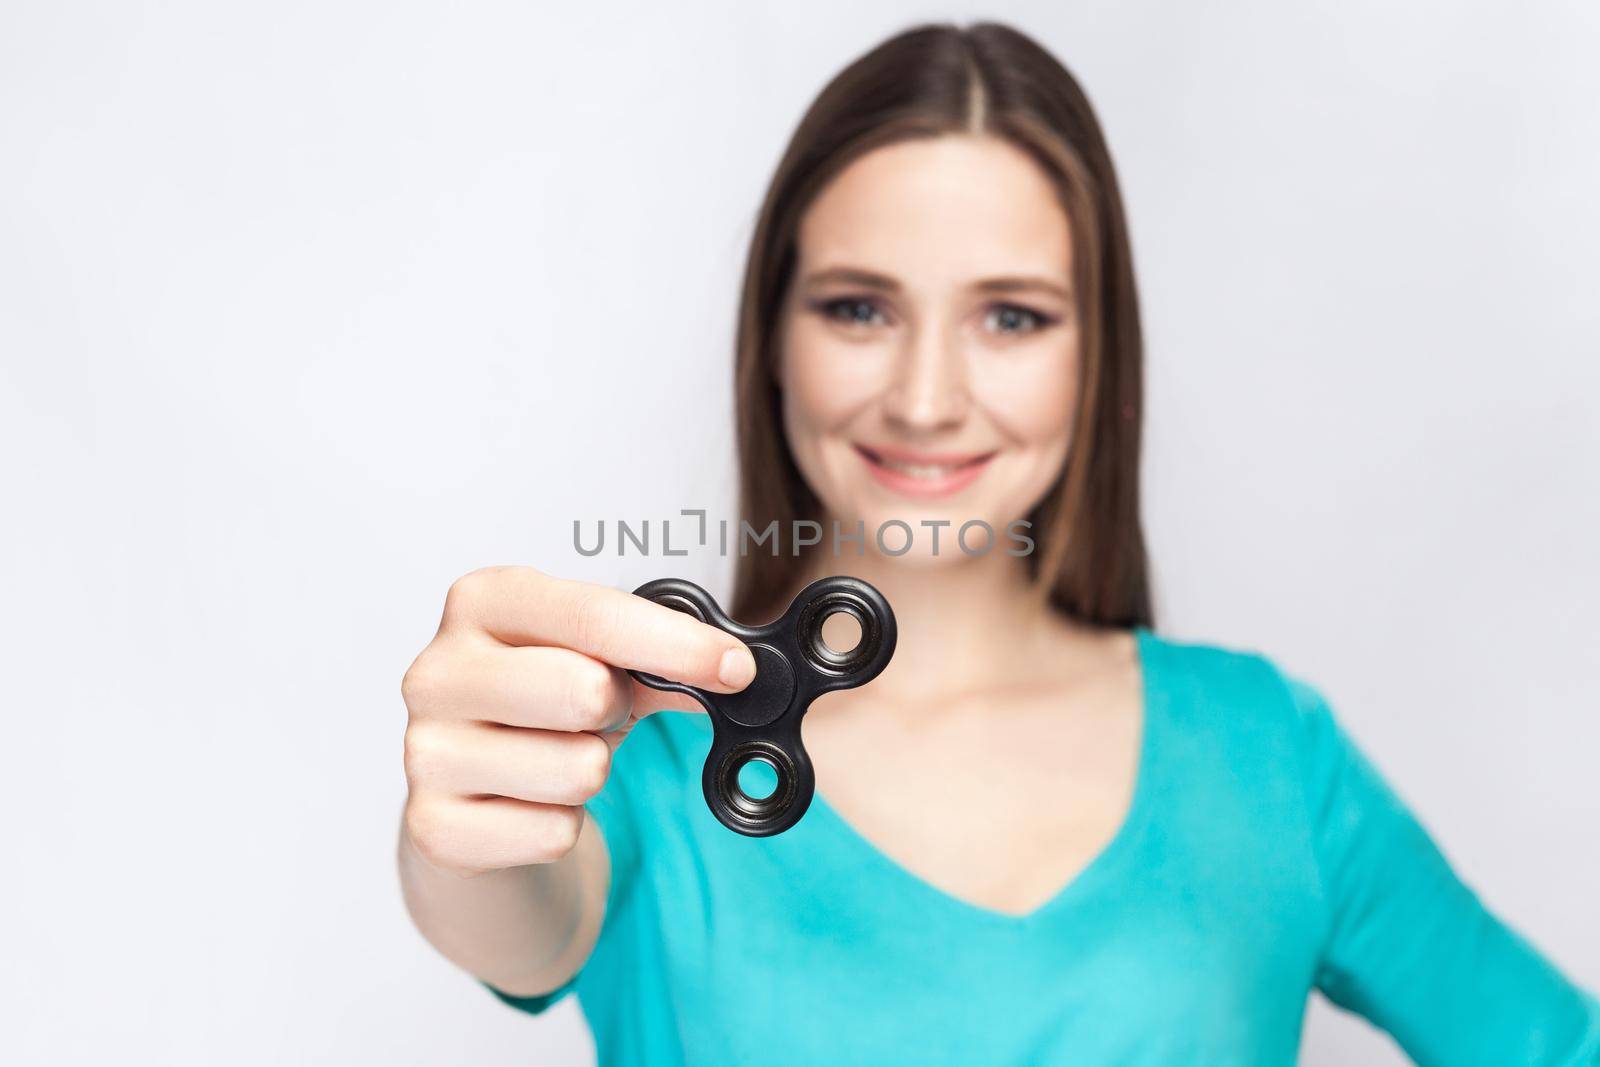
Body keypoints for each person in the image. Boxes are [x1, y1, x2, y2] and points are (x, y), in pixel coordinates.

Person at [396, 21, 1600, 1066]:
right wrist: (463, 820)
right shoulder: (647, 752)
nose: (925, 397)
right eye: (858, 308)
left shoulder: (1268, 755)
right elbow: (512, 907)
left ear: (1097, 358)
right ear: (771, 341)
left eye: (1011, 316)